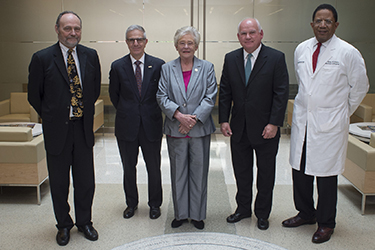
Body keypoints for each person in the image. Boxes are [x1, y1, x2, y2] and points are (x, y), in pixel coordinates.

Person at [282, 4, 369, 244]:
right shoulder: (301, 49)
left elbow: (360, 87)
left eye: (328, 21)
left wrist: (342, 112)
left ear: (336, 25)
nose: (322, 25)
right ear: (312, 24)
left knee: (326, 175)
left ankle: (326, 223)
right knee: (300, 170)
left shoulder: (348, 52)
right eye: (318, 21)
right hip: (303, 121)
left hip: (330, 124)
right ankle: (305, 213)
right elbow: (304, 83)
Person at [28, 11, 101, 246]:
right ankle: (63, 225)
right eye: (68, 28)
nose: (73, 33)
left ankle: (84, 222)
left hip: (82, 129)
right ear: (57, 29)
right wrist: (53, 115)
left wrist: (79, 110)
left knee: (85, 181)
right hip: (57, 130)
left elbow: (94, 90)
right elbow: (34, 96)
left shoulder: (90, 55)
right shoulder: (42, 58)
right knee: (59, 183)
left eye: (77, 28)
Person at [219, 18, 289, 230]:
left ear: (261, 34)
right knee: (241, 172)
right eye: (243, 33)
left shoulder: (276, 58)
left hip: (266, 128)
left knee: (266, 173)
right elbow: (225, 91)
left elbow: (281, 93)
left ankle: (262, 213)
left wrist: (274, 123)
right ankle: (242, 209)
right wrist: (223, 119)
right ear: (238, 36)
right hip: (239, 127)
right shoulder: (231, 58)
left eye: (251, 32)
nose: (247, 37)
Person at [157, 26, 217, 230]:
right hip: (176, 129)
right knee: (178, 173)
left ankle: (198, 215)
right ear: (175, 46)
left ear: (197, 46)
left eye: (190, 43)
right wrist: (179, 116)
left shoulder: (207, 67)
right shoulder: (167, 68)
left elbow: (210, 97)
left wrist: (191, 120)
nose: (186, 46)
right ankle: (181, 214)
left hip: (199, 130)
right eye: (182, 43)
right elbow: (161, 96)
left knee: (199, 173)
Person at [109, 25, 165, 220]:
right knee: (128, 167)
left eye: (139, 39)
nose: (136, 43)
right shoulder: (117, 66)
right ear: (126, 42)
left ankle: (155, 204)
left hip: (151, 125)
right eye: (131, 40)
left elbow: (162, 95)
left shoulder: (159, 65)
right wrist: (129, 112)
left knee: (153, 167)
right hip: (126, 126)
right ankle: (131, 203)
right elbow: (114, 96)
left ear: (146, 41)